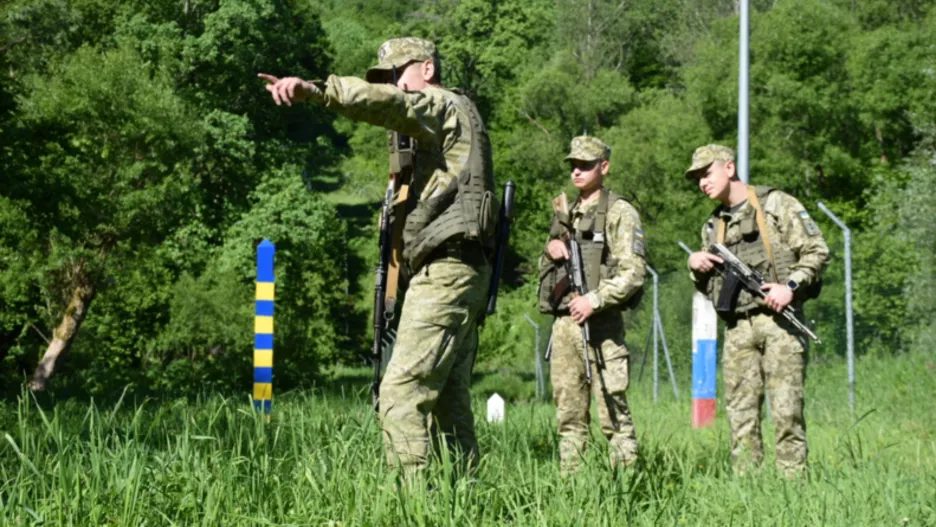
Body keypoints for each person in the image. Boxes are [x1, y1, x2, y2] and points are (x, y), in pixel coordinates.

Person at [259, 38, 496, 475]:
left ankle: (411, 506)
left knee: (401, 392)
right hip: (458, 269)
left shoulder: (442, 104)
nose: (392, 85)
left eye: (395, 74)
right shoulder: (444, 127)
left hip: (448, 269)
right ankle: (464, 500)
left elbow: (388, 103)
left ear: (427, 69)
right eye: (385, 78)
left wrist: (318, 90)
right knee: (448, 400)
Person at [684, 144, 829, 477]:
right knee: (740, 416)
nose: (702, 183)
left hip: (780, 325)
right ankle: (749, 490)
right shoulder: (712, 226)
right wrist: (696, 265)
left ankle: (793, 490)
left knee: (786, 412)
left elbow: (817, 251)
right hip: (737, 329)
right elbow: (709, 286)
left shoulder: (776, 204)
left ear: (729, 167)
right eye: (697, 179)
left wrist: (789, 287)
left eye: (706, 173)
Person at [537, 136, 646, 473]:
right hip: (565, 326)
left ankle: (626, 489)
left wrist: (594, 300)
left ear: (604, 167)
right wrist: (552, 247)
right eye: (573, 165)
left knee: (614, 417)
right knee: (568, 417)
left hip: (602, 326)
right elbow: (550, 266)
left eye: (585, 164)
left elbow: (633, 272)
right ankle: (573, 488)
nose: (577, 171)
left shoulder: (619, 212)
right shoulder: (566, 211)